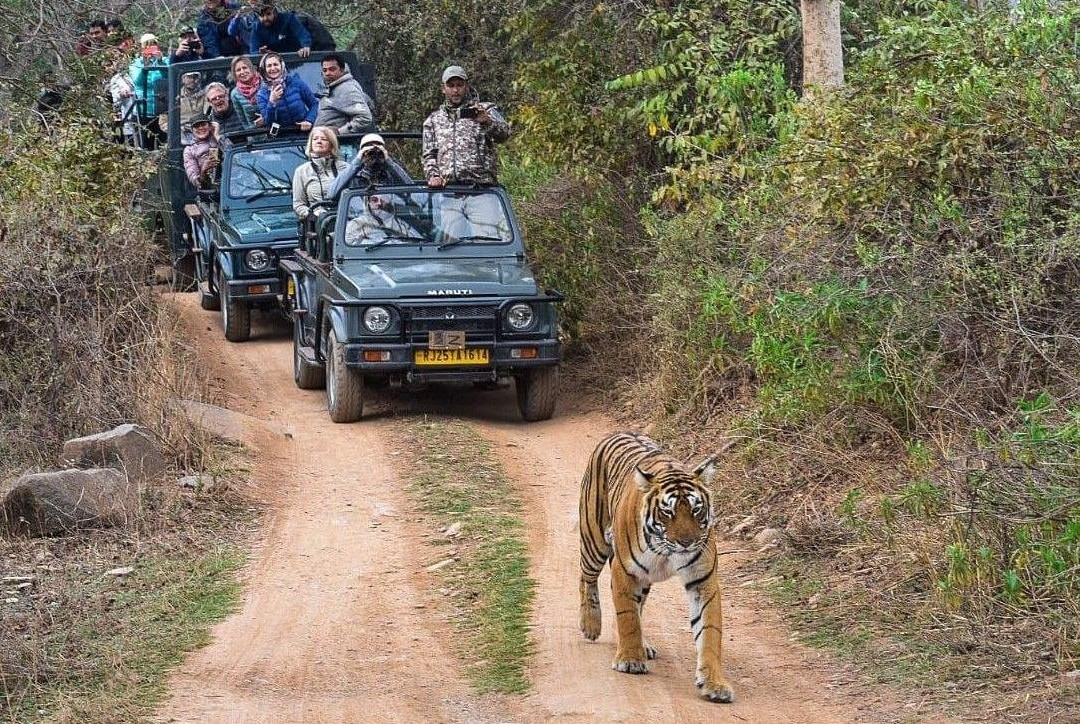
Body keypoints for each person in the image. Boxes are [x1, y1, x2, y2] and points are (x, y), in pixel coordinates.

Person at [422, 65, 511, 187]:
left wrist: (487, 122)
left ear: (466, 86)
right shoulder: (433, 120)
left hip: (482, 189)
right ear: (443, 88)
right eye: (451, 86)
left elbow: (505, 135)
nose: (455, 90)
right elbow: (429, 154)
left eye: (459, 85)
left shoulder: (485, 110)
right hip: (448, 191)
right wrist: (434, 175)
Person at [327, 133, 411, 201]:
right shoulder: (352, 175)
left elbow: (411, 189)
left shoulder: (391, 173)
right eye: (369, 152)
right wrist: (357, 161)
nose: (374, 154)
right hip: (359, 218)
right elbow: (332, 194)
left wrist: (388, 162)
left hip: (388, 216)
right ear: (361, 153)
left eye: (379, 150)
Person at [292, 126, 348, 222]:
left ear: (331, 144)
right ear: (310, 143)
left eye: (324, 139)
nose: (319, 141)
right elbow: (298, 204)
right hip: (318, 224)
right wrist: (312, 216)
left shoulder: (345, 168)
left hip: (345, 219)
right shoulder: (302, 171)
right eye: (315, 139)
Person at [315, 54, 373, 136]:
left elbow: (364, 118)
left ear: (342, 70)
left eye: (332, 69)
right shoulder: (334, 87)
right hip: (327, 142)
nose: (327, 73)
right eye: (325, 70)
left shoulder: (346, 89)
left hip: (341, 144)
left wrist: (340, 132)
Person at [256, 52, 316, 130]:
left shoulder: (296, 83)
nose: (273, 68)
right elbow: (268, 122)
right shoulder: (261, 94)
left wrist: (309, 120)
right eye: (269, 66)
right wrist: (272, 102)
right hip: (281, 137)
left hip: (303, 131)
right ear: (264, 69)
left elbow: (314, 104)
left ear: (282, 66)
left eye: (275, 64)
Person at [129, 34, 169, 143]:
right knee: (144, 145)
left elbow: (169, 78)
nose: (150, 47)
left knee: (163, 143)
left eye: (153, 44)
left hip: (162, 111)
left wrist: (160, 62)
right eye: (146, 45)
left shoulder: (165, 61)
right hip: (142, 111)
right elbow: (137, 81)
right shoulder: (135, 63)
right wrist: (144, 67)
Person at [344, 193, 422, 246]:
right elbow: (347, 249)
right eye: (374, 200)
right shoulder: (357, 223)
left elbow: (413, 242)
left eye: (382, 200)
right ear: (368, 203)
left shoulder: (398, 222)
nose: (379, 203)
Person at [105, 51, 138, 146]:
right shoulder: (114, 79)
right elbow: (116, 102)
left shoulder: (126, 76)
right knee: (125, 142)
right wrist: (121, 95)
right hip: (123, 117)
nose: (108, 68)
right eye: (107, 66)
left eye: (110, 64)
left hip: (133, 114)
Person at [183, 114, 221, 189]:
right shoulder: (189, 150)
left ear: (210, 126)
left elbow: (231, 150)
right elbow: (195, 181)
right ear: (192, 130)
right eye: (196, 126)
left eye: (203, 124)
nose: (201, 128)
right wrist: (204, 170)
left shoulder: (219, 138)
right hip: (210, 189)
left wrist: (217, 135)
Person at [229, 55, 262, 126]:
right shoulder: (235, 94)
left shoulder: (264, 83)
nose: (242, 72)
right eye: (238, 70)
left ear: (251, 68)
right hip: (254, 134)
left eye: (244, 68)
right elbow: (243, 121)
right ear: (234, 74)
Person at [178, 71, 207, 143]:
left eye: (195, 77)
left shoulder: (206, 95)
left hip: (202, 130)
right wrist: (181, 128)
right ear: (183, 79)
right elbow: (163, 121)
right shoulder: (175, 97)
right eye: (190, 77)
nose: (193, 80)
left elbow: (209, 115)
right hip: (180, 134)